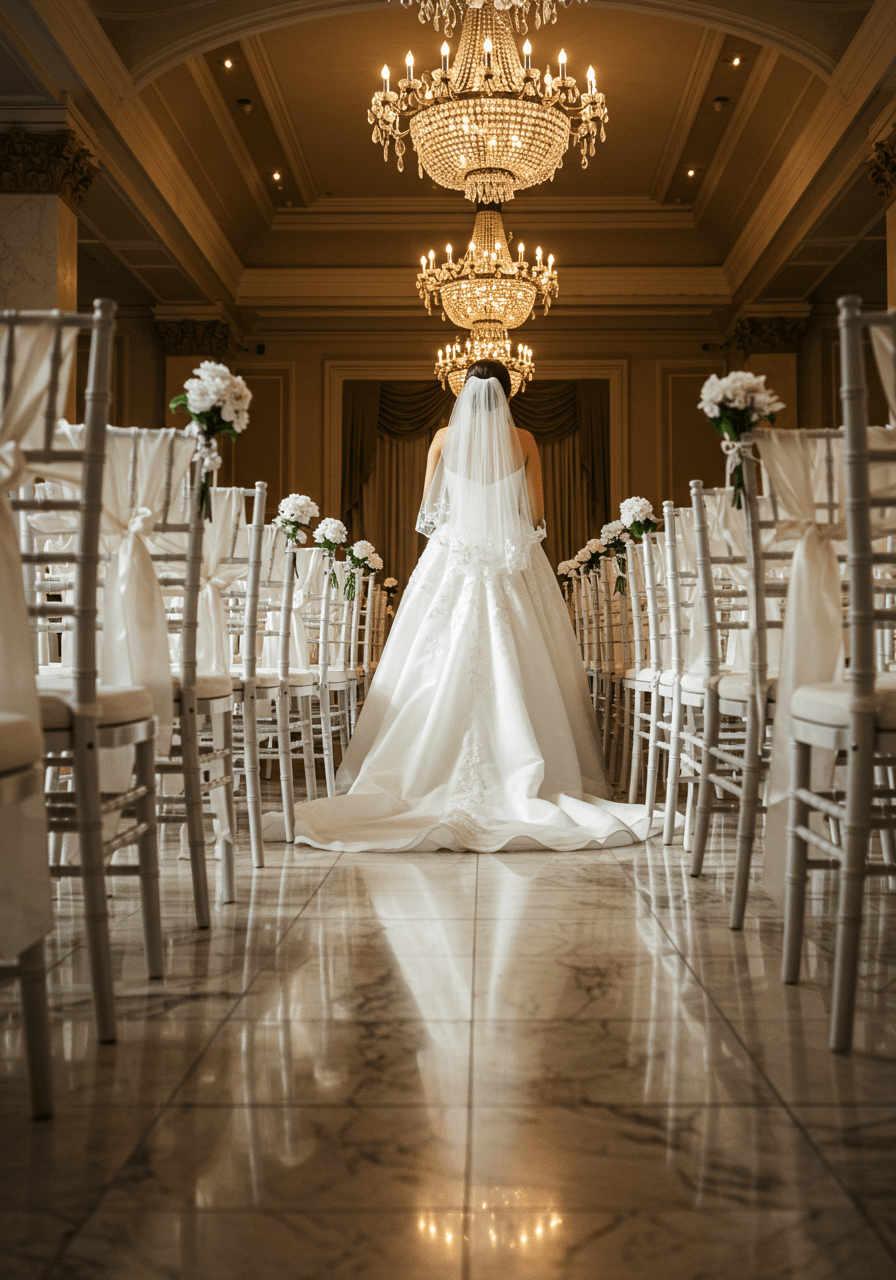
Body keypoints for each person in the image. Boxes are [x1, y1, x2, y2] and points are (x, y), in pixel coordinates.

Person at [262, 359, 659, 850]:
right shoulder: (527, 442)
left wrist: (467, 519)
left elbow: (428, 512)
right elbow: (536, 514)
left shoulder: (442, 439)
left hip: (454, 552)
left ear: (464, 393)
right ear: (507, 396)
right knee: (525, 653)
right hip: (511, 554)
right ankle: (524, 762)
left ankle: (421, 768)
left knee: (432, 656)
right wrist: (501, 519)